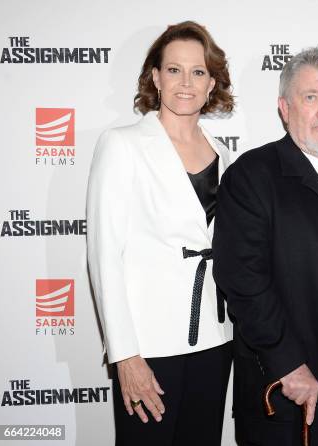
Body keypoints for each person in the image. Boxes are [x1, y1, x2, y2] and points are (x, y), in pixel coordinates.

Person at [212, 46, 318, 445]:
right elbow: (242, 281)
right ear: (285, 107)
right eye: (311, 98)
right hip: (286, 389)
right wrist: (288, 365)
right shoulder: (252, 177)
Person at [86, 21, 234, 446]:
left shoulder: (226, 156)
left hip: (214, 338)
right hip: (149, 346)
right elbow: (103, 257)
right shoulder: (122, 145)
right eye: (174, 70)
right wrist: (125, 356)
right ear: (155, 77)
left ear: (212, 83)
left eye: (199, 72)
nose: (186, 82)